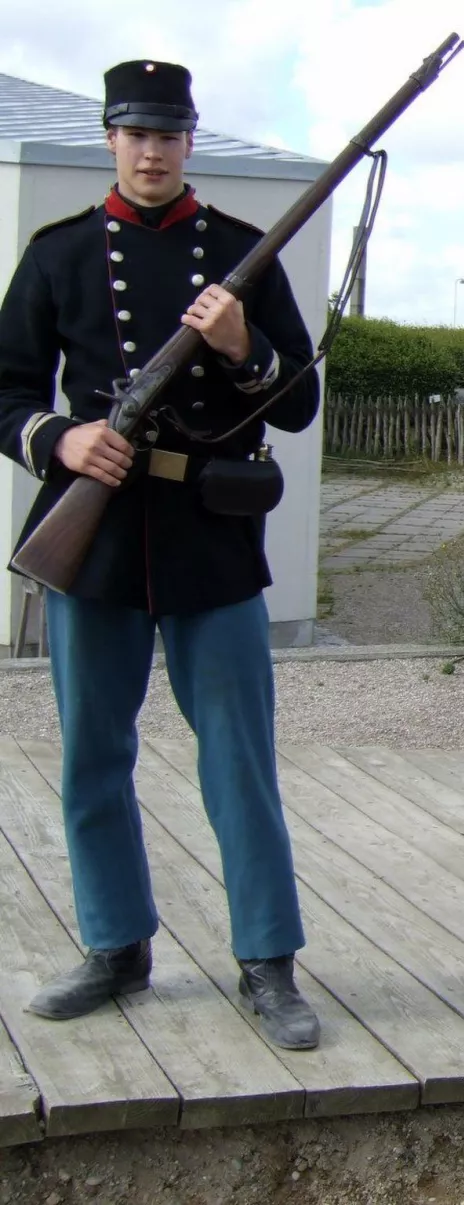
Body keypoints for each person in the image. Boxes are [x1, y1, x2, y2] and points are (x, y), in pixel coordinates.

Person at [0, 59, 322, 1049]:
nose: (151, 152)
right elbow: (6, 389)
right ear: (111, 137)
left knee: (238, 758)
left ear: (189, 141)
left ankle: (267, 958)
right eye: (135, 134)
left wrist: (241, 347)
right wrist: (59, 440)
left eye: (168, 135)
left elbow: (299, 402)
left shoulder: (241, 255)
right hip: (96, 540)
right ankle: (114, 945)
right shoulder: (59, 253)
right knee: (94, 754)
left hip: (209, 541)